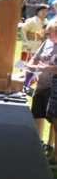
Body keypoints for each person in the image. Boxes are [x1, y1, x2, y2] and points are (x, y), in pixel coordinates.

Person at [26, 20, 57, 149]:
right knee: (37, 112)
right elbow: (36, 58)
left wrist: (45, 68)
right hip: (42, 83)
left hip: (54, 86)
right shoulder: (47, 42)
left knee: (53, 117)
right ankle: (38, 142)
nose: (48, 36)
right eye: (47, 33)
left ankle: (50, 144)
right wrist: (29, 67)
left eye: (51, 34)